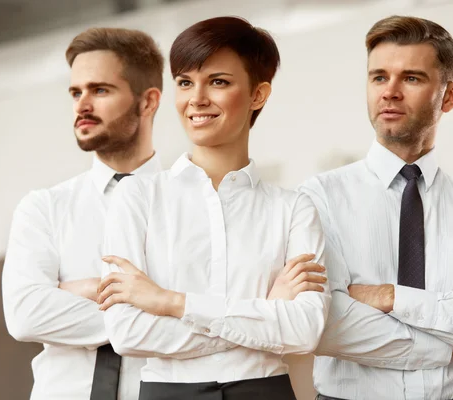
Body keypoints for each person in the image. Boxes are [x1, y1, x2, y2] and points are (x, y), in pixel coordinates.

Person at [300, 15, 453, 400]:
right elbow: (323, 325)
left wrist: (390, 297)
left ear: (450, 96)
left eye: (411, 78)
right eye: (379, 77)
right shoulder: (316, 199)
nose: (390, 91)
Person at [96, 16, 331, 400]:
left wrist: (170, 302)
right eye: (185, 82)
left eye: (218, 82)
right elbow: (127, 332)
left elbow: (304, 330)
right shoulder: (136, 196)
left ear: (258, 94)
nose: (196, 99)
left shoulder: (294, 208)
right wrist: (262, 319)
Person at [2, 27, 165, 400]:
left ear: (148, 101)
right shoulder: (43, 208)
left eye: (100, 90)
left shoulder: (189, 205)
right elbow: (25, 314)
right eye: (76, 92)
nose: (82, 105)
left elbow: (207, 314)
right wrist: (154, 305)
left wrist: (76, 292)